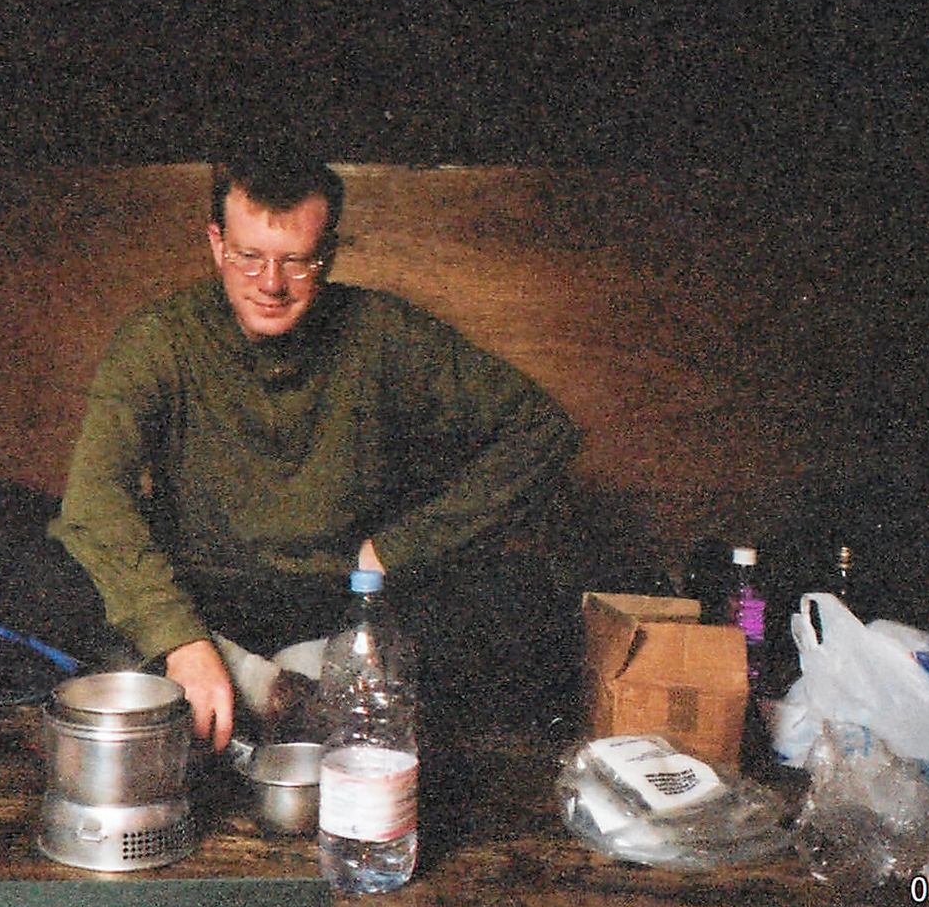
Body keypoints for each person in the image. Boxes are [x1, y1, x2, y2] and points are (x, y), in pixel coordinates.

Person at [48, 149, 583, 753]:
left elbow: (542, 431)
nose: (270, 284)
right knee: (62, 568)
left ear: (327, 253)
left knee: (517, 597)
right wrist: (181, 642)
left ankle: (287, 690)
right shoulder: (158, 339)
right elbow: (94, 500)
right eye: (249, 256)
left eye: (296, 261)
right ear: (217, 245)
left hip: (346, 599)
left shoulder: (384, 332)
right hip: (202, 598)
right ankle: (278, 691)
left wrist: (401, 548)